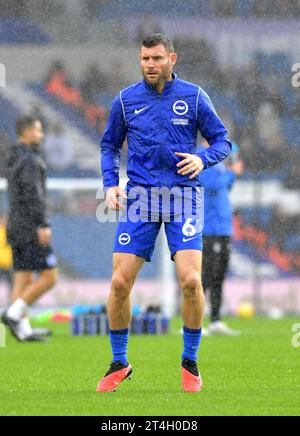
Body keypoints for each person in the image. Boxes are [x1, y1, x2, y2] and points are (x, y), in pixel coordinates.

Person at [97, 34, 232, 393]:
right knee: (119, 283)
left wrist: (202, 158)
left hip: (183, 197)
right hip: (140, 199)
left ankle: (190, 361)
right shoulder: (125, 101)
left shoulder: (195, 96)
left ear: (172, 58)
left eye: (157, 58)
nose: (150, 65)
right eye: (144, 59)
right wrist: (111, 183)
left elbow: (222, 140)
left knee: (190, 281)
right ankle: (119, 362)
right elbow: (109, 144)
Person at [1, 116, 58, 342]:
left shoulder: (14, 156)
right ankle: (13, 314)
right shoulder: (31, 160)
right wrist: (43, 224)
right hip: (30, 227)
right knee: (50, 277)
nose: (41, 134)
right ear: (26, 132)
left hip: (15, 224)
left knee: (22, 278)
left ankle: (23, 330)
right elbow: (34, 194)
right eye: (38, 130)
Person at [198, 142, 243, 336]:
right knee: (206, 275)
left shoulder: (221, 154)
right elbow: (212, 183)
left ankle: (215, 320)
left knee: (219, 275)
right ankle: (194, 323)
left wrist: (232, 170)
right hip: (209, 227)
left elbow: (227, 186)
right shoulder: (201, 156)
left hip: (224, 227)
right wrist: (232, 172)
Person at [0, 214, 13, 295]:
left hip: (8, 263)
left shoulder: (9, 232)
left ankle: (12, 300)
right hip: (1, 263)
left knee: (11, 283)